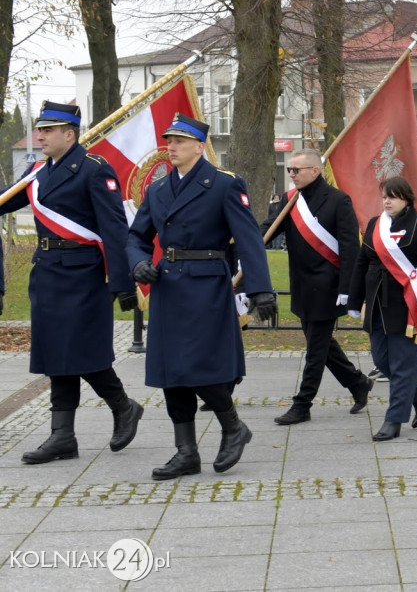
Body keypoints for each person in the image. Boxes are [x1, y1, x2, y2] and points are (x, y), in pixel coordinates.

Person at [128, 114, 276, 480]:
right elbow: (136, 238)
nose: (171, 146)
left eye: (179, 140)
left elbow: (248, 239)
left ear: (199, 146)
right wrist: (138, 264)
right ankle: (186, 452)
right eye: (169, 139)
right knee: (170, 373)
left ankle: (233, 426)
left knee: (200, 367)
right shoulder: (158, 190)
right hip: (167, 287)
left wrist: (259, 289)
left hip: (206, 285)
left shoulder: (223, 184)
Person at [1, 101, 143, 465]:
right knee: (55, 353)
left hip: (83, 274)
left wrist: (122, 282)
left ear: (70, 134)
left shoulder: (94, 170)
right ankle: (63, 436)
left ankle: (123, 406)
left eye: (48, 131)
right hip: (47, 272)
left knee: (82, 351)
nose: (40, 136)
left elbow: (113, 229)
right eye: (40, 130)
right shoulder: (36, 172)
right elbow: (5, 203)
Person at [260, 149, 375, 425]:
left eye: (296, 170)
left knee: (315, 351)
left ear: (315, 170)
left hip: (328, 288)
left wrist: (347, 289)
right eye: (290, 170)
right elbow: (266, 230)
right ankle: (358, 382)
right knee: (322, 345)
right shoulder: (290, 201)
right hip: (301, 285)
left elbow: (350, 249)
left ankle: (303, 404)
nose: (291, 174)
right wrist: (240, 238)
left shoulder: (338, 200)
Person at [348, 177, 417, 440]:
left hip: (408, 304)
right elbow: (361, 263)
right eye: (385, 196)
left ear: (407, 198)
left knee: (402, 363)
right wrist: (355, 301)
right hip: (377, 302)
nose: (387, 201)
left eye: (393, 196)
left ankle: (394, 419)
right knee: (380, 360)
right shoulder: (376, 225)